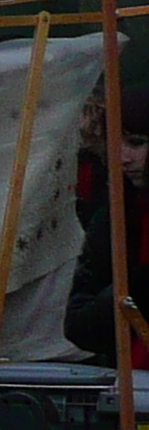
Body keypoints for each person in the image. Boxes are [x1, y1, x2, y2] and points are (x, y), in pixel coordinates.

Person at [66, 89, 149, 360]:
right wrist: (134, 287)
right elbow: (79, 324)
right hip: (129, 378)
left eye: (136, 143)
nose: (124, 157)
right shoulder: (117, 211)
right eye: (118, 142)